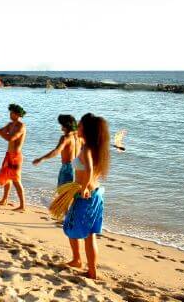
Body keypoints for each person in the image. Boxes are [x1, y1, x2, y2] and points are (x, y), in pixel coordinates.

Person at [63, 113, 110, 280]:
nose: (77, 127)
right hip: (95, 195)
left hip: (86, 196)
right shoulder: (93, 147)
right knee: (90, 235)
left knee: (70, 227)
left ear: (87, 129)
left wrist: (82, 189)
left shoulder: (88, 149)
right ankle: (90, 270)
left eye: (80, 125)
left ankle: (79, 261)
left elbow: (89, 169)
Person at [0, 103, 27, 212]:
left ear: (17, 114)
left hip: (16, 156)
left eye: (11, 112)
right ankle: (4, 200)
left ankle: (22, 206)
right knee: (6, 177)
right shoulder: (10, 125)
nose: (10, 114)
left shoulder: (21, 126)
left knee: (16, 180)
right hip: (8, 155)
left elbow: (11, 138)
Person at [33, 114, 81, 187]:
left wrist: (42, 159)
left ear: (65, 126)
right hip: (77, 167)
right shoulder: (79, 136)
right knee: (72, 193)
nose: (61, 127)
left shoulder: (65, 138)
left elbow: (57, 151)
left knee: (62, 193)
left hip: (67, 167)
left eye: (61, 125)